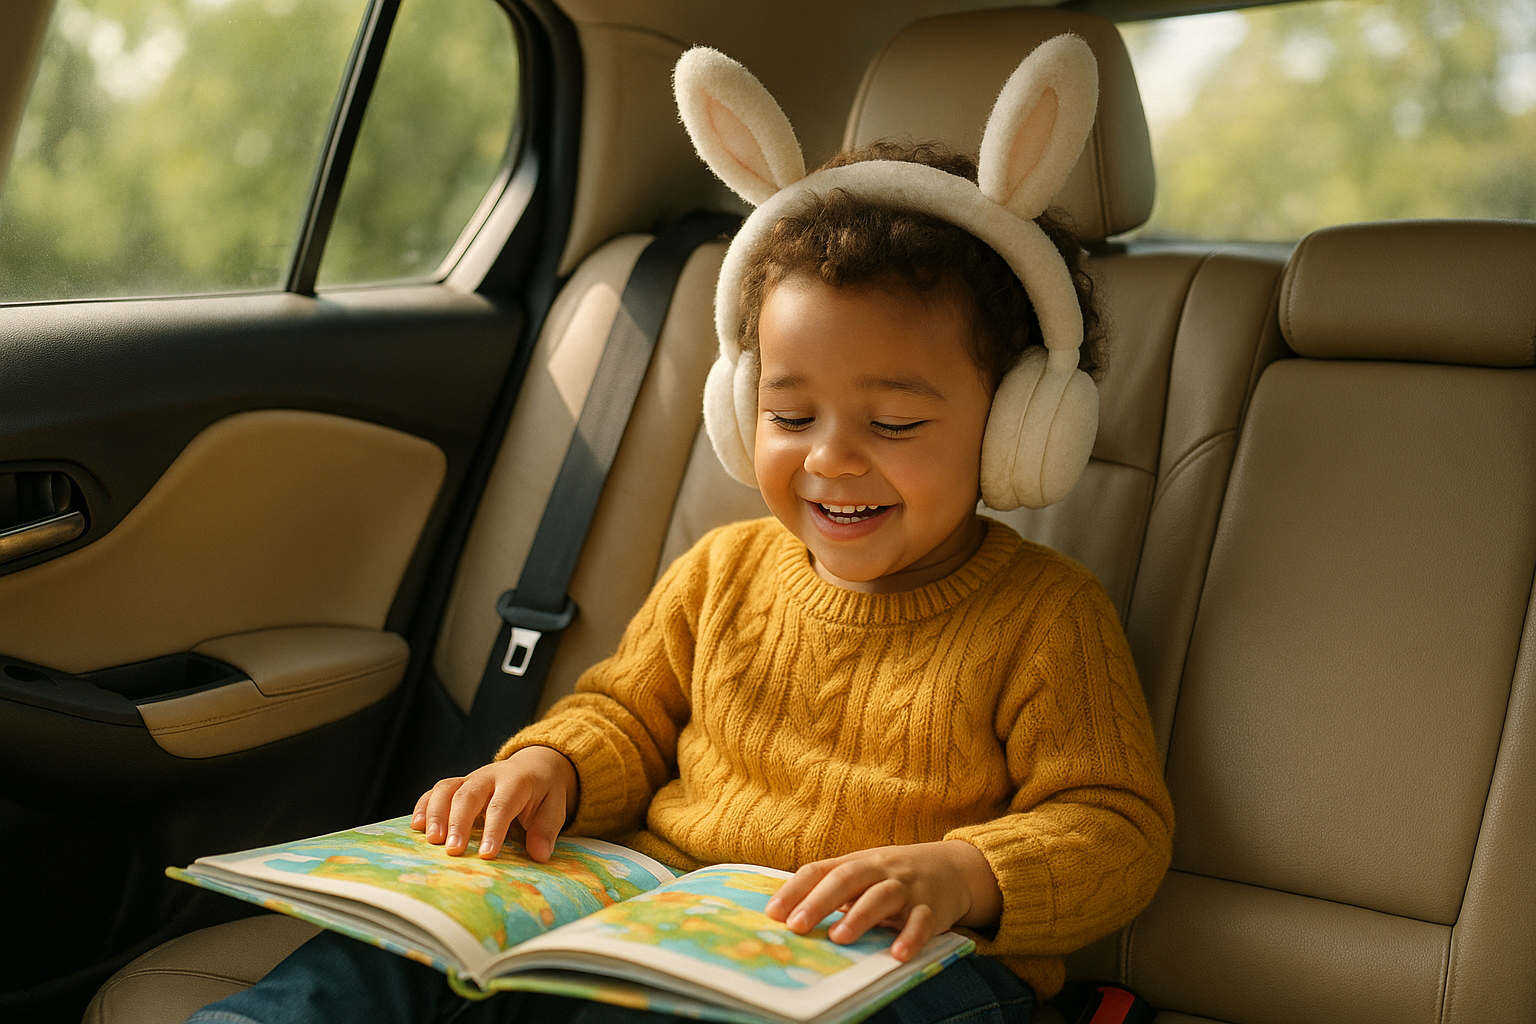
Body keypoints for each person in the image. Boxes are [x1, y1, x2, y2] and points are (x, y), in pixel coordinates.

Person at [187, 37, 1172, 1024]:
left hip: (897, 959)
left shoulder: (1049, 615)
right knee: (388, 955)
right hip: (666, 916)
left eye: (896, 423)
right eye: (790, 415)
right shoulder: (723, 569)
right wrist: (552, 766)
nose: (831, 459)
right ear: (741, 408)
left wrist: (962, 874)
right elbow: (625, 714)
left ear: (1017, 429)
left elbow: (1113, 825)